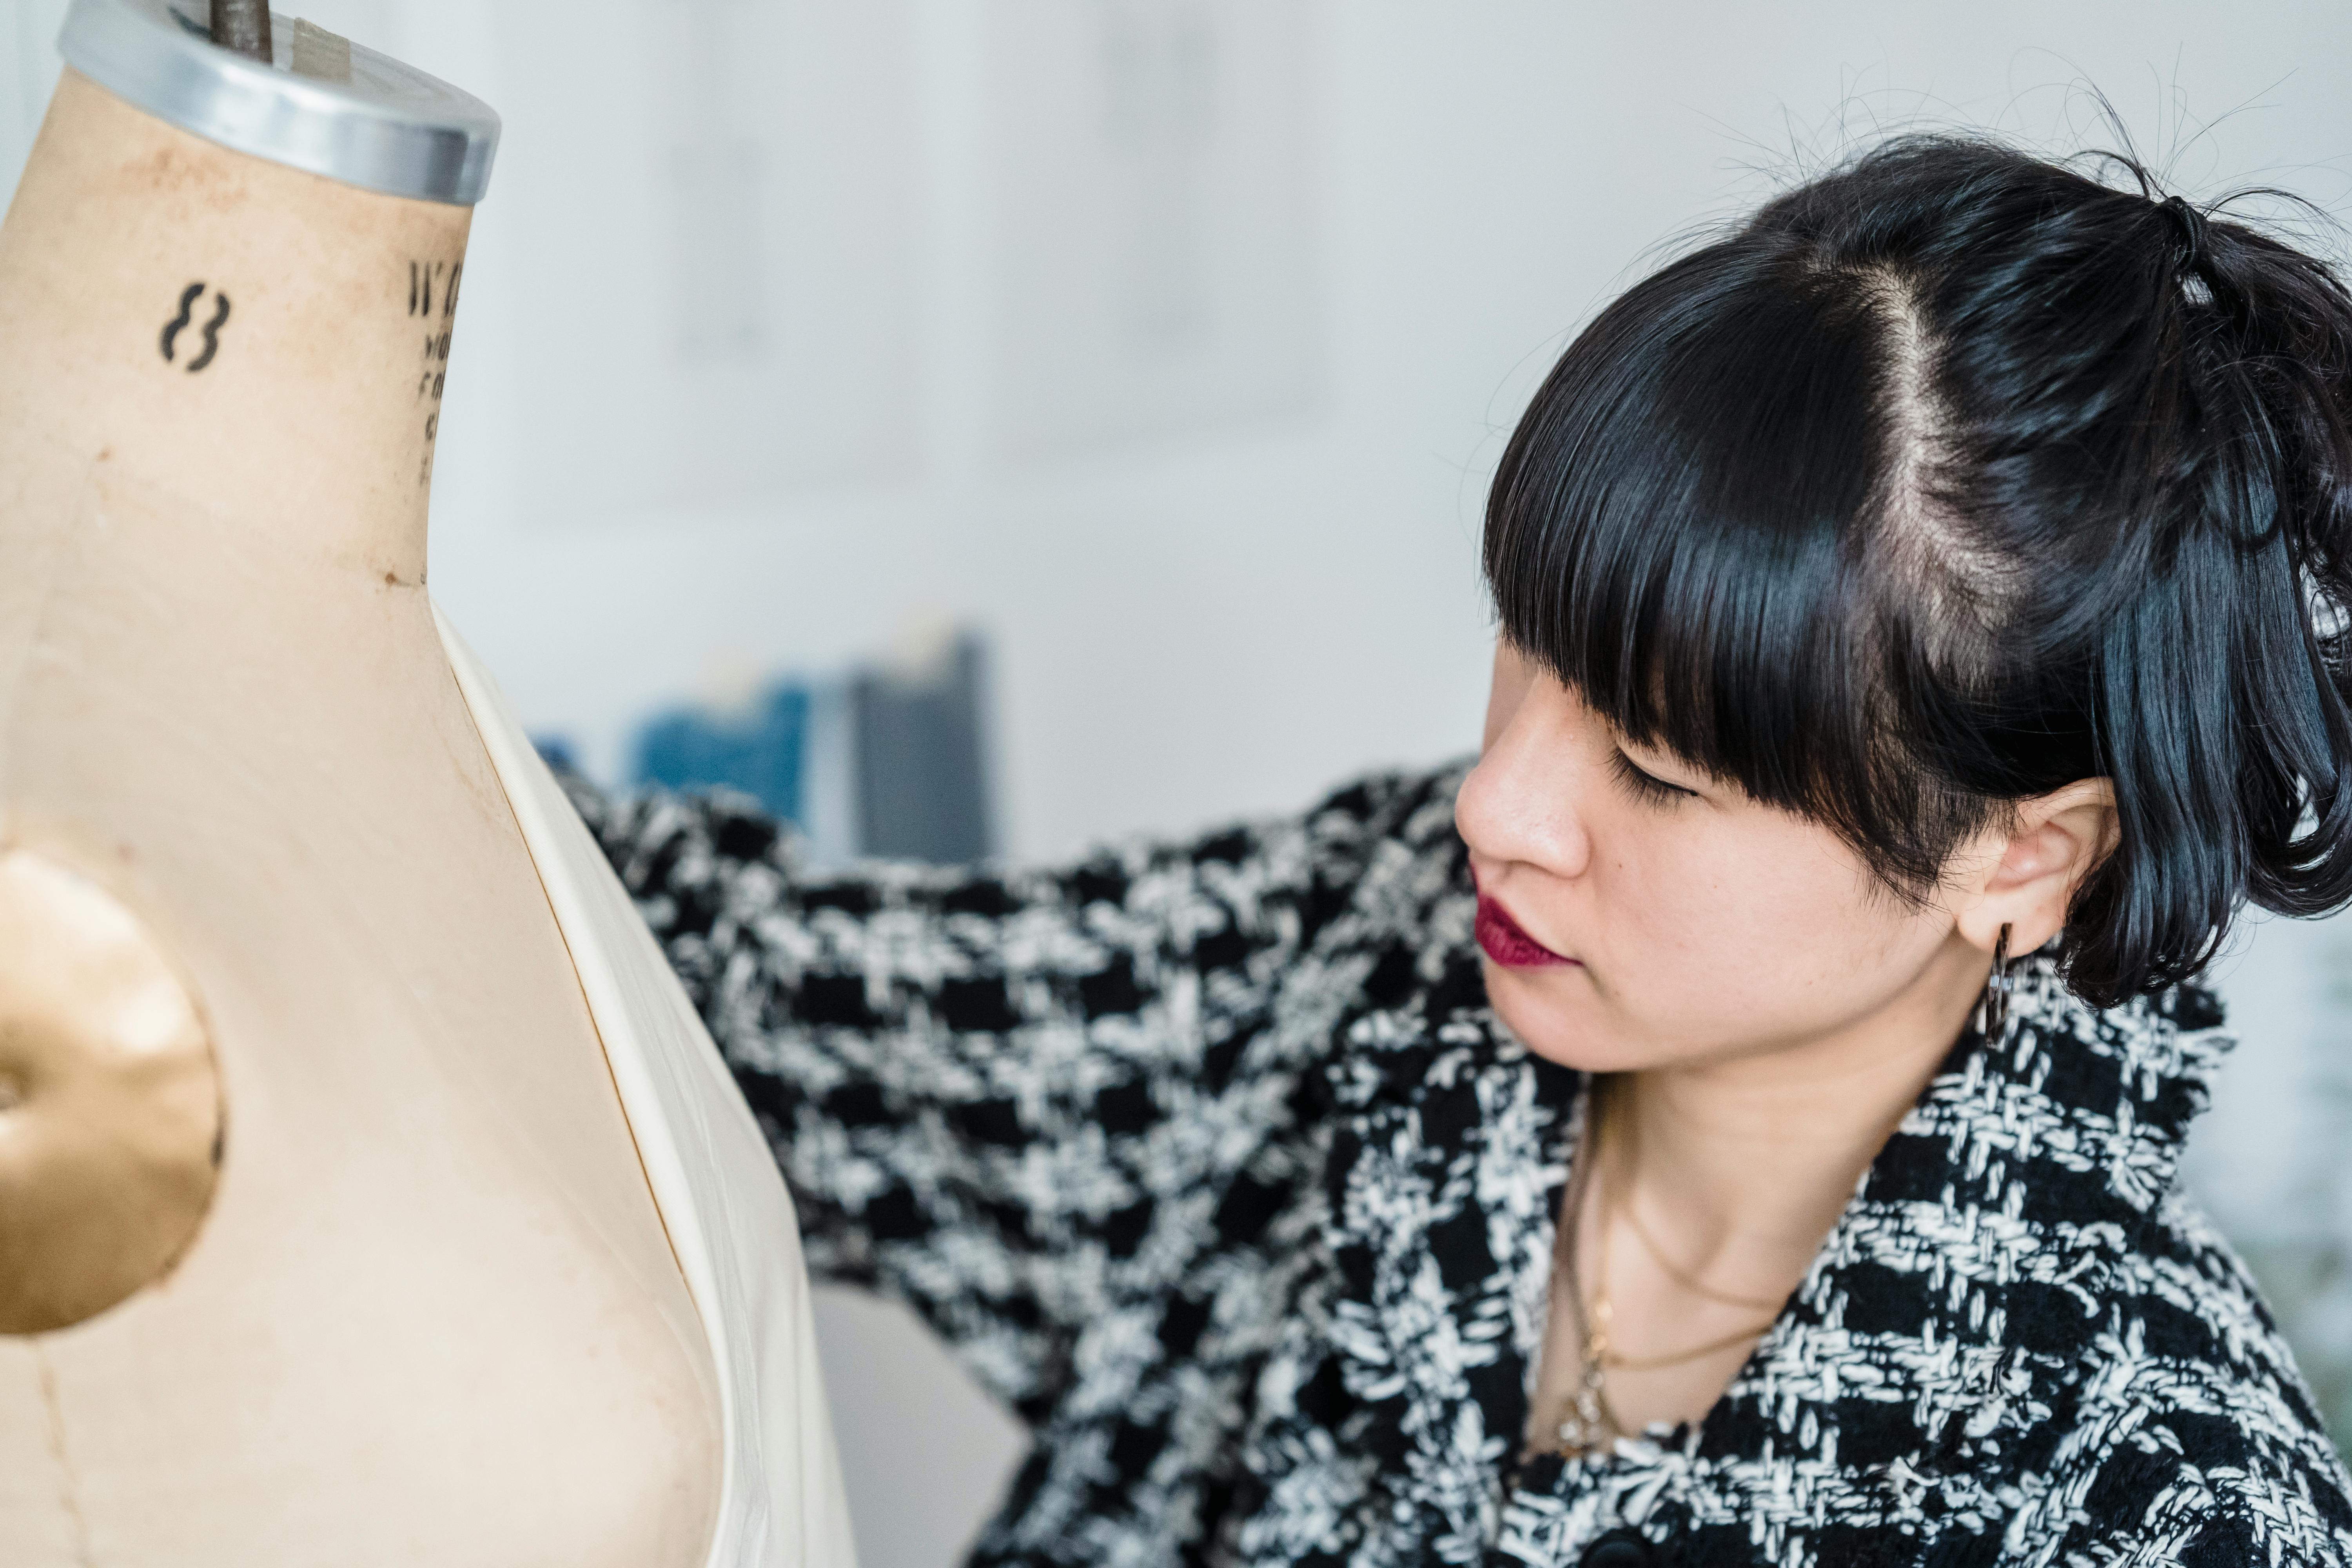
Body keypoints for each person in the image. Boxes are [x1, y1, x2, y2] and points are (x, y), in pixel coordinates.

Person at [571, 135, 2352, 1566]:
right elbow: (757, 992)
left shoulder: (2161, 1491)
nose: (1491, 807)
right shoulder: (1368, 949)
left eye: (1654, 770)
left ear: (2024, 858)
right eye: (1527, 648)